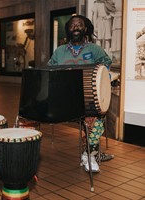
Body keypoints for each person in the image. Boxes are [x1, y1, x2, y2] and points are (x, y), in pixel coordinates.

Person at [47, 15, 114, 172]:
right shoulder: (59, 52)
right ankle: (91, 153)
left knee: (97, 119)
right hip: (65, 101)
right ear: (68, 30)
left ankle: (89, 156)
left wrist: (105, 78)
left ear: (86, 29)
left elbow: (106, 66)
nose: (75, 27)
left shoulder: (95, 50)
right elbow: (50, 71)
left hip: (89, 99)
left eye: (79, 25)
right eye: (72, 25)